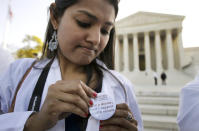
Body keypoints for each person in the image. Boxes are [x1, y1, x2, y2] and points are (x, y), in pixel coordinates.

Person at [0, 0, 143, 131]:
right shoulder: (18, 73)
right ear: (55, 17)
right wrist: (32, 122)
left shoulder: (122, 86)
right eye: (84, 23)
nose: (95, 39)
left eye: (105, 30)